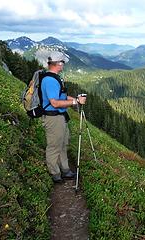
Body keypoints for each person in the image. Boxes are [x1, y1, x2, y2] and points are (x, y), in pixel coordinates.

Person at [41, 51, 86, 183]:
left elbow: (62, 97)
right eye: (62, 62)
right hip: (53, 118)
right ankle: (55, 173)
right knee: (54, 146)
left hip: (59, 117)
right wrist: (74, 102)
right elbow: (54, 102)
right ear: (58, 63)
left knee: (63, 144)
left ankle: (65, 170)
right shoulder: (49, 80)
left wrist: (76, 99)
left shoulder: (54, 78)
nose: (63, 65)